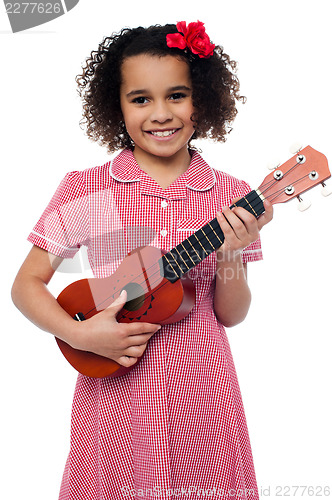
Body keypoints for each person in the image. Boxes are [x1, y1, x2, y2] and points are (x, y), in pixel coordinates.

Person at [11, 21, 273, 500]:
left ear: (204, 101)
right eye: (141, 99)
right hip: (114, 398)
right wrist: (77, 331)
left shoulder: (231, 196)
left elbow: (230, 314)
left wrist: (231, 254)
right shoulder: (86, 188)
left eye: (177, 95)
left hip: (203, 395)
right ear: (118, 106)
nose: (160, 114)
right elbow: (26, 284)